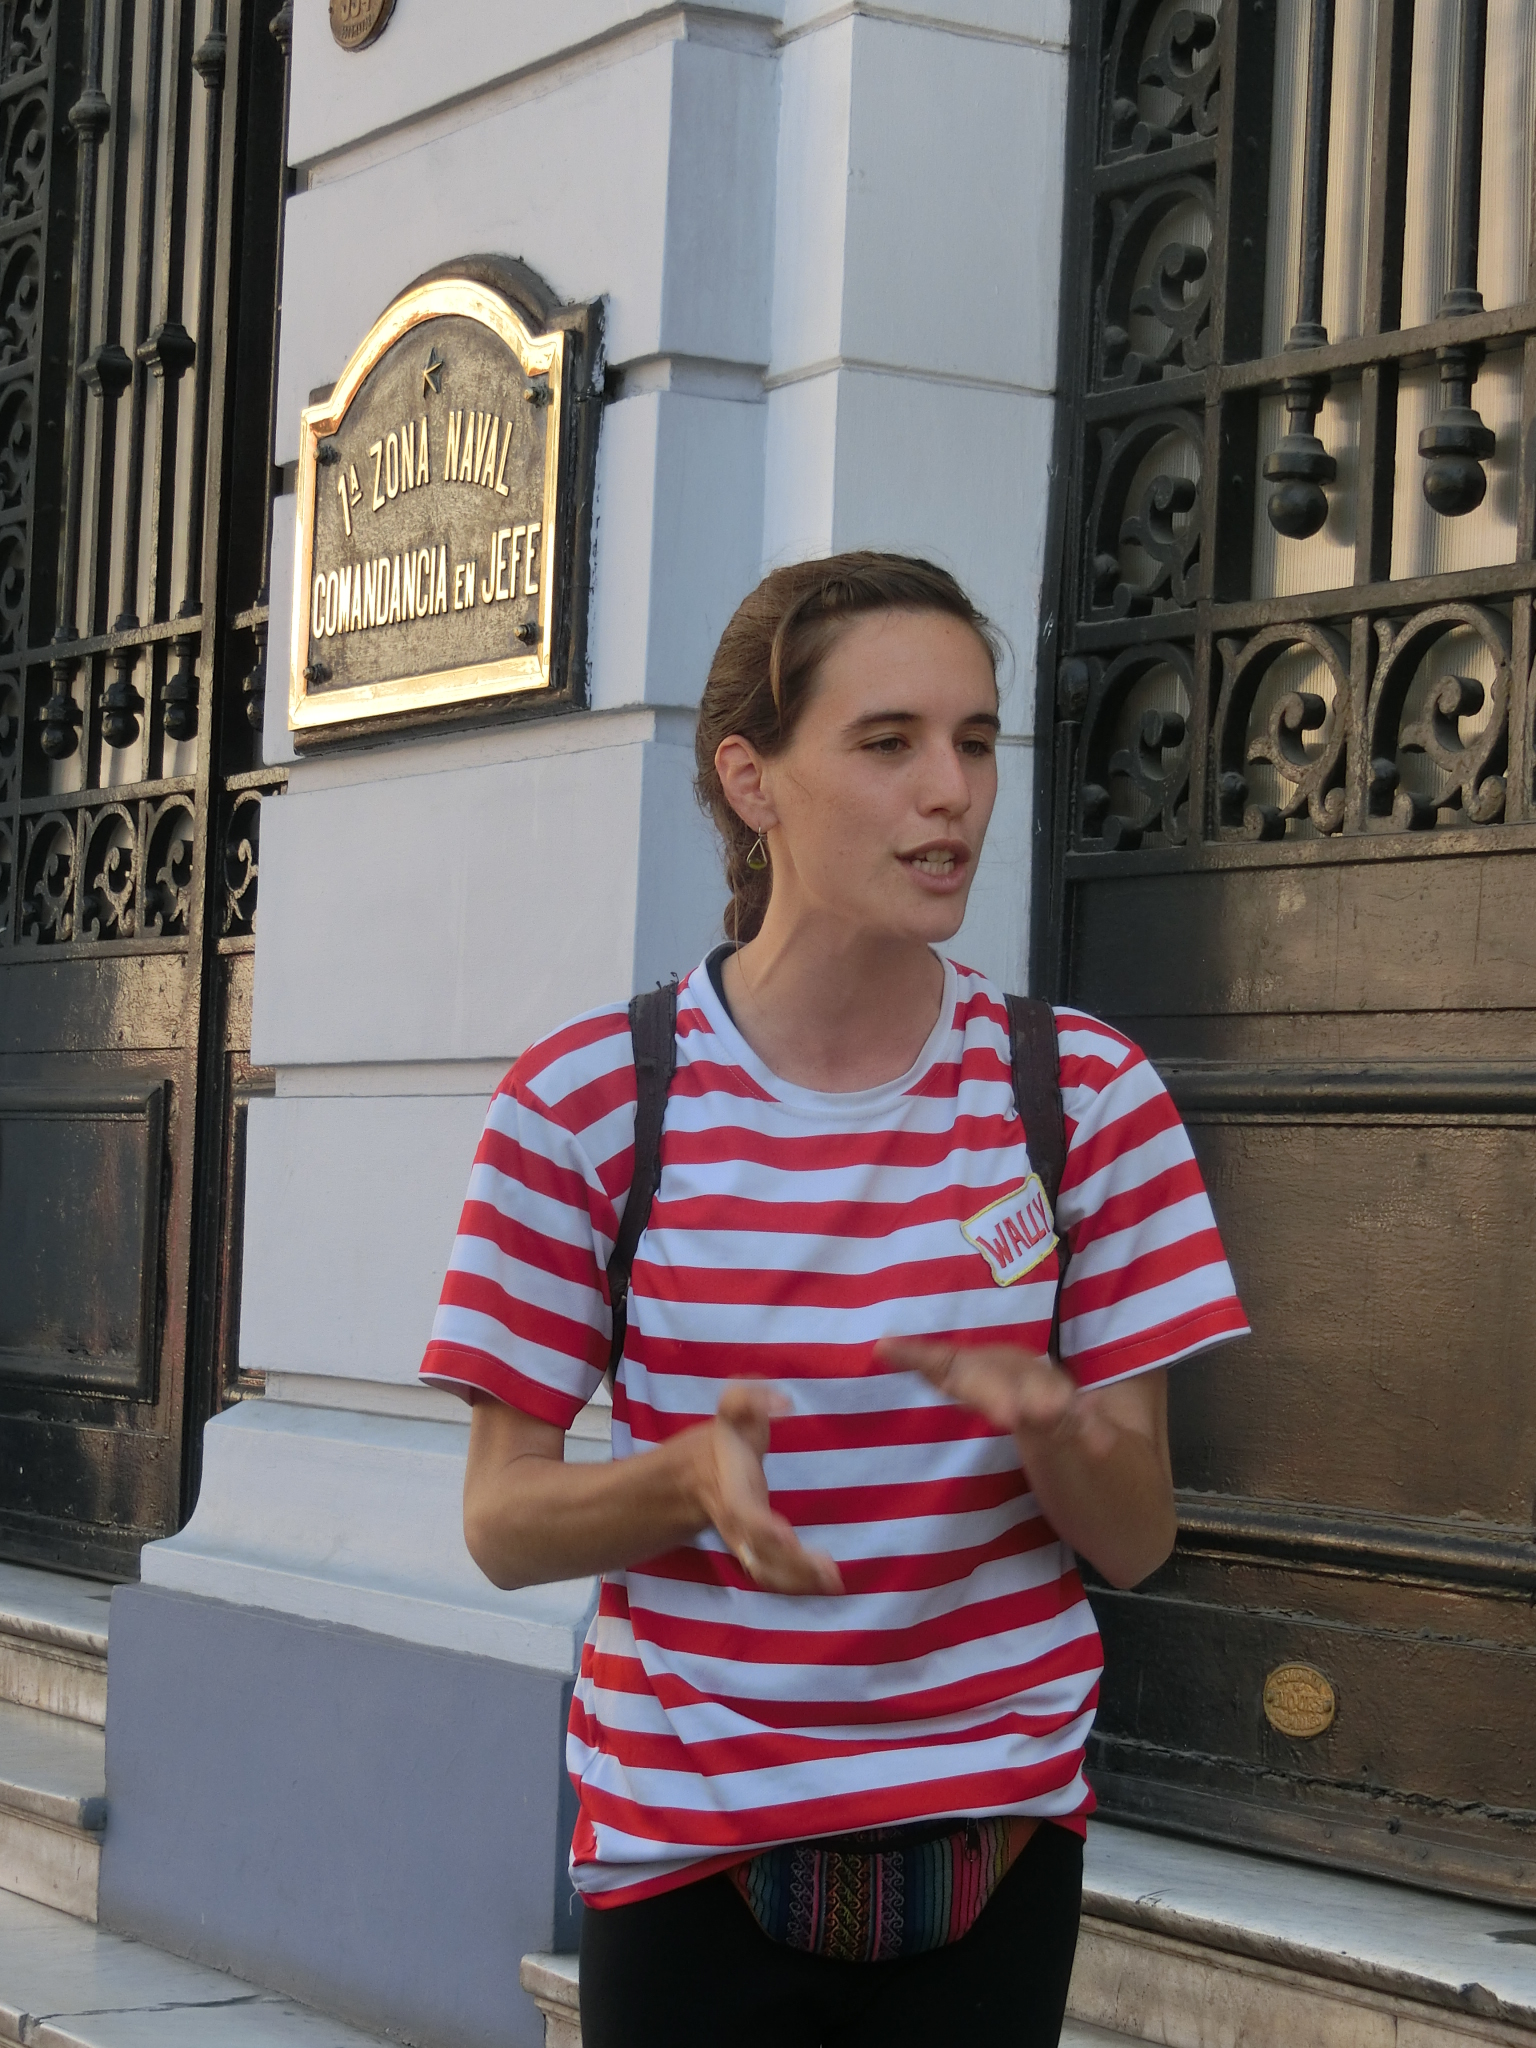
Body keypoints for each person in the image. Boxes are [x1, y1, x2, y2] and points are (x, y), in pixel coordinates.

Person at [420, 552, 1248, 2048]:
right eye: (888, 743)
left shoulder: (1084, 1097)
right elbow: (499, 1521)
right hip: (693, 1851)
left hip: (995, 1844)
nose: (952, 793)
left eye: (975, 741)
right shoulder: (590, 1105)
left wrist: (1058, 1430)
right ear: (755, 781)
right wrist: (683, 1484)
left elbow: (1137, 1542)